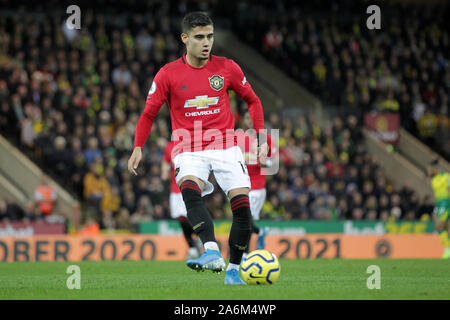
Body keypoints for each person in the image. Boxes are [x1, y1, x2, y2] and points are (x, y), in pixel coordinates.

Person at [128, 12, 268, 285]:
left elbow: (253, 101)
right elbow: (148, 114)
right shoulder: (168, 74)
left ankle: (233, 270)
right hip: (187, 145)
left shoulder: (227, 68)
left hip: (225, 145)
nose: (207, 43)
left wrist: (260, 137)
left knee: (242, 210)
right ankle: (211, 251)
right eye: (200, 37)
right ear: (185, 38)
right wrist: (137, 147)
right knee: (189, 189)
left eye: (210, 36)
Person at [237, 110, 277, 256]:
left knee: (245, 220)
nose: (250, 121)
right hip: (241, 184)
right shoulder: (237, 137)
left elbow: (274, 163)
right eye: (247, 118)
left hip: (257, 186)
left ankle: (244, 255)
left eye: (252, 118)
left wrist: (264, 161)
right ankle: (260, 232)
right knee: (243, 219)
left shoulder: (265, 138)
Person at [162, 140, 202, 259]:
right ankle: (193, 246)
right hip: (175, 188)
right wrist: (164, 171)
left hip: (189, 186)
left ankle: (199, 238)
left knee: (189, 216)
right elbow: (165, 161)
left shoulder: (191, 143)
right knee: (180, 218)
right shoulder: (169, 146)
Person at [428, 159, 450, 259]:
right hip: (439, 203)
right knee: (445, 227)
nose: (428, 171)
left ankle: (447, 249)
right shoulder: (433, 179)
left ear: (435, 168)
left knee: (438, 226)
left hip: (446, 202)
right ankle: (447, 248)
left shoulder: (446, 176)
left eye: (430, 169)